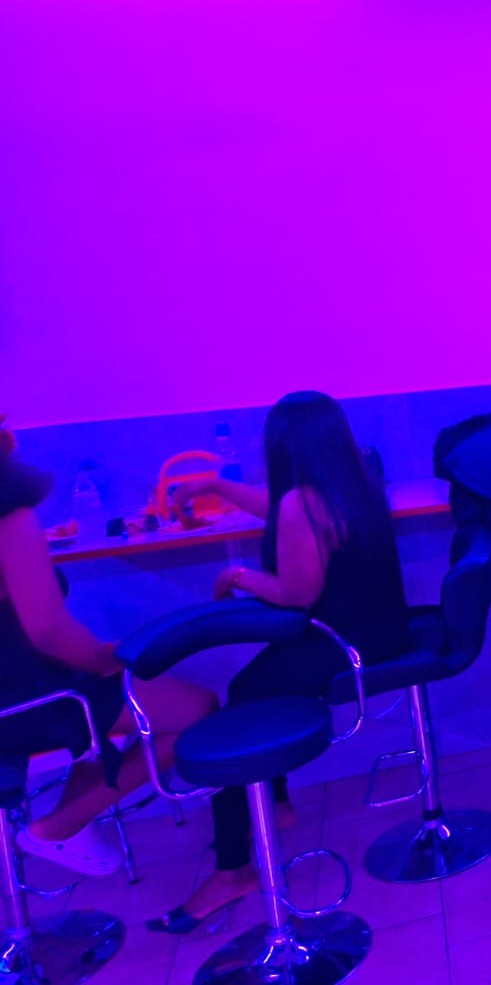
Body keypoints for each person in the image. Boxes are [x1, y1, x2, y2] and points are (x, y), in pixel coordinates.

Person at [149, 391, 410, 932]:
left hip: (342, 643)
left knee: (235, 715)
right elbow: (283, 512)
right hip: (382, 629)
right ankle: (278, 802)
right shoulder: (355, 481)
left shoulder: (301, 503)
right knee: (251, 684)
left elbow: (297, 594)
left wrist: (239, 576)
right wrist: (216, 485)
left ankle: (232, 870)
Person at [0, 417, 216, 876]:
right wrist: (102, 661)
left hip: (19, 692)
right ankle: (58, 828)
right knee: (197, 709)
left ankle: (69, 825)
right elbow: (48, 631)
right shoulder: (9, 517)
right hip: (29, 697)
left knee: (108, 707)